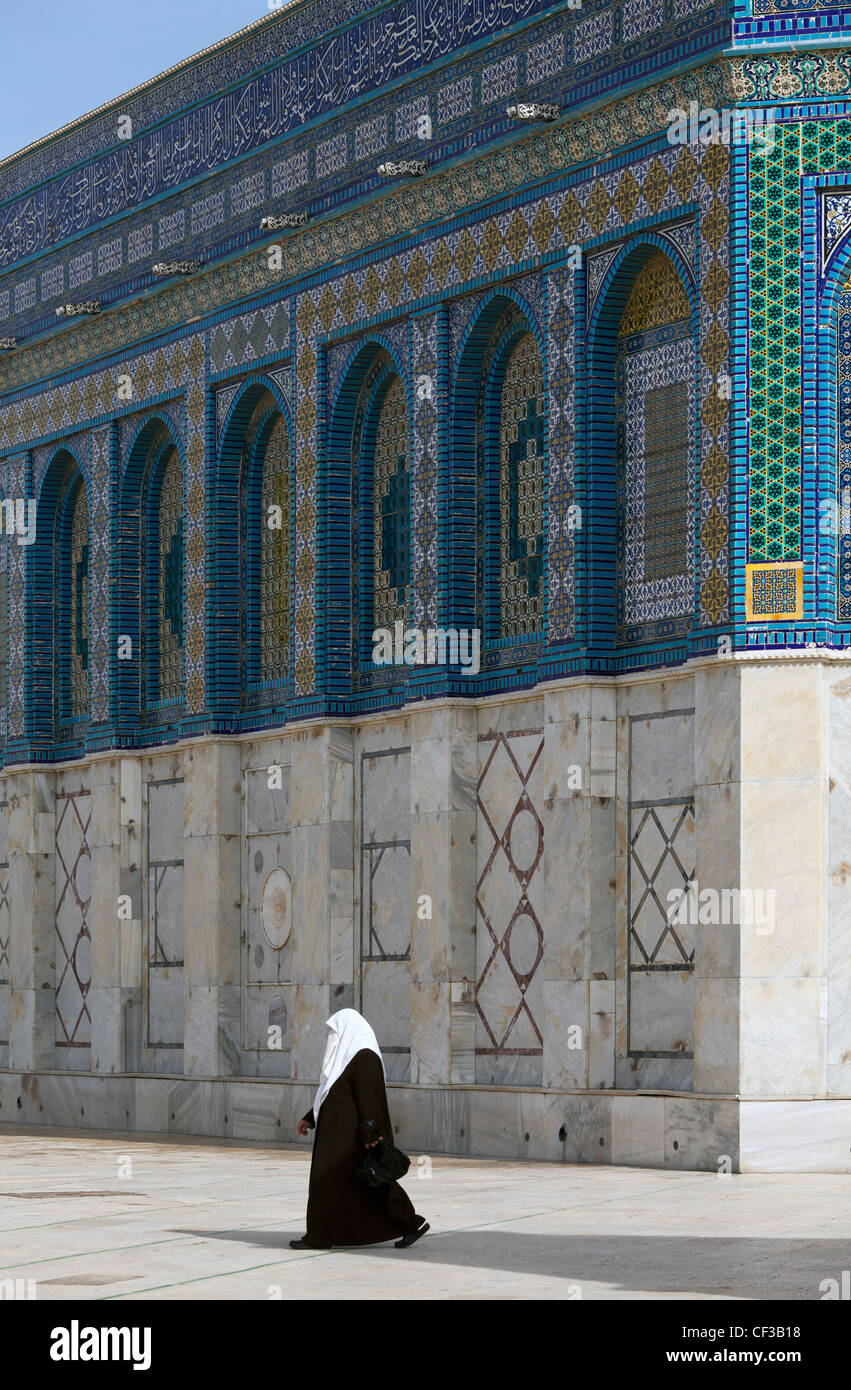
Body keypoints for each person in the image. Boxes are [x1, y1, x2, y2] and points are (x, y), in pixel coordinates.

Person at [289, 1008, 429, 1250]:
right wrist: (310, 1117)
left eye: (335, 1032)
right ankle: (322, 1235)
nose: (332, 1038)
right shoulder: (346, 1057)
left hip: (352, 1140)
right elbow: (330, 1094)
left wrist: (371, 1136)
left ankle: (409, 1224)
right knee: (345, 1188)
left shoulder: (363, 1056)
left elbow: (370, 1098)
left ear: (348, 1030)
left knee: (369, 1184)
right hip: (338, 1138)